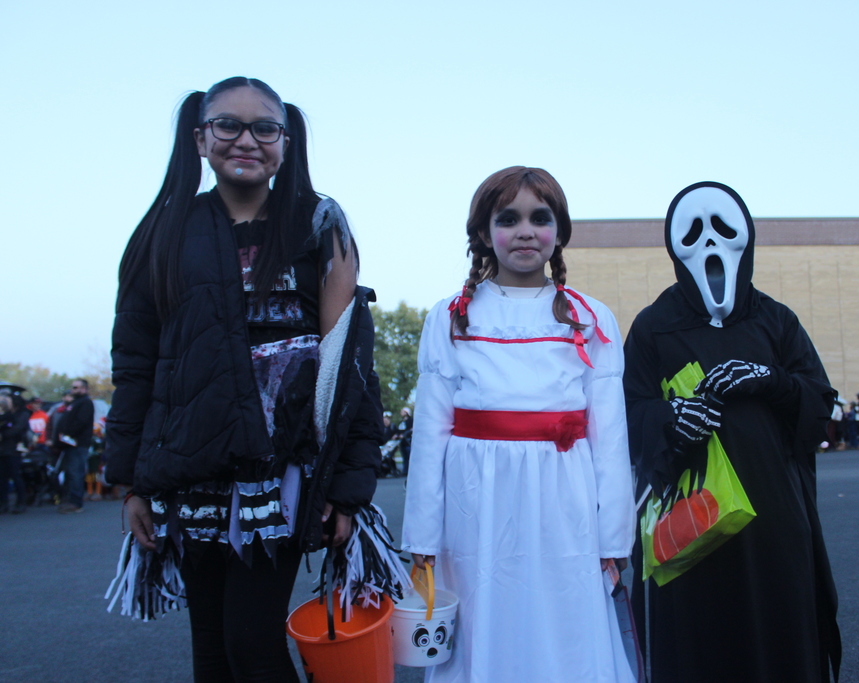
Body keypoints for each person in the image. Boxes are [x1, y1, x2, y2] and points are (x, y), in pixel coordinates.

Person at [104, 77, 384, 682]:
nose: (246, 140)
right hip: (191, 470)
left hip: (278, 474)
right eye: (227, 124)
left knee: (251, 647)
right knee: (211, 653)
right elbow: (135, 364)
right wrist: (128, 482)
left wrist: (351, 488)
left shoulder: (318, 224)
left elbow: (351, 366)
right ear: (200, 137)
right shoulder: (163, 232)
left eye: (265, 128)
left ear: (286, 141)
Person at [402, 166, 636, 682]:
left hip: (565, 501)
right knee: (484, 615)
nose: (525, 230)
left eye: (540, 217)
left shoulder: (590, 317)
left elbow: (612, 438)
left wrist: (614, 540)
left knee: (566, 619)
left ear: (559, 231)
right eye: (508, 219)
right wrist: (421, 533)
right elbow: (430, 435)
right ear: (485, 233)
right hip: (476, 501)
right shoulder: (450, 317)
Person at [623, 182, 841, 682]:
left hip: (775, 520)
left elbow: (818, 403)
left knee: (780, 630)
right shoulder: (654, 326)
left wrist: (773, 382)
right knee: (700, 642)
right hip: (692, 522)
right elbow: (627, 413)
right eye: (693, 233)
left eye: (722, 230)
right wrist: (671, 420)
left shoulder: (776, 320)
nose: (709, 246)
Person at [55, 378, 94, 513]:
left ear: (84, 389)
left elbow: (81, 422)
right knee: (70, 474)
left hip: (78, 443)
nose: (74, 390)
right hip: (68, 444)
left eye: (77, 387)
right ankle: (69, 500)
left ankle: (76, 503)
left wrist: (68, 434)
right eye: (73, 387)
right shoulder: (74, 403)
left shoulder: (86, 403)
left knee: (75, 472)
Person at [0, 393, 30, 514]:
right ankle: (3, 503)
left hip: (13, 450)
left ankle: (21, 502)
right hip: (3, 450)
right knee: (2, 478)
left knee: (15, 475)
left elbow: (17, 430)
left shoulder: (20, 415)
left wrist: (3, 435)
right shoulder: (7, 416)